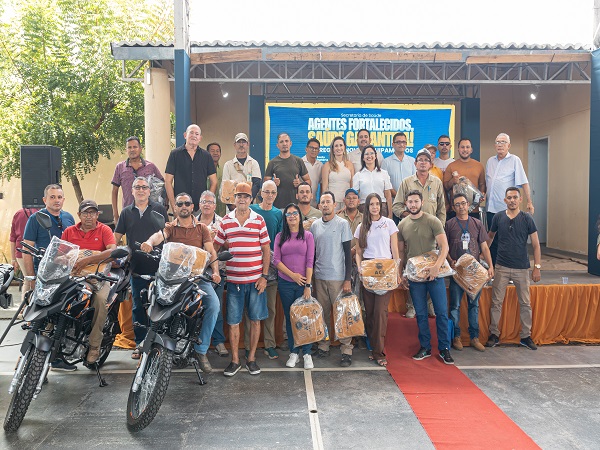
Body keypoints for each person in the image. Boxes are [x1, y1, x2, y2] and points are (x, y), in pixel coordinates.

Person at [140, 192, 221, 373]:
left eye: (187, 203)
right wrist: (149, 242)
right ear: (175, 208)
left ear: (192, 207)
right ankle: (150, 340)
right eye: (180, 204)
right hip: (171, 279)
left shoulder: (202, 228)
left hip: (195, 278)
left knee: (214, 305)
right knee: (151, 298)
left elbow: (211, 252)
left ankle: (201, 351)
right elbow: (158, 236)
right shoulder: (170, 227)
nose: (183, 206)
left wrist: (215, 271)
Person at [213, 182, 270, 377]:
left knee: (255, 321)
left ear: (251, 199)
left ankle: (251, 359)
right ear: (234, 198)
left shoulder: (259, 220)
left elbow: (266, 250)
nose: (242, 199)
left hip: (256, 282)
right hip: (234, 282)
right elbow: (215, 247)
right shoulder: (226, 221)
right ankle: (235, 360)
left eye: (246, 196)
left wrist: (264, 277)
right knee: (233, 322)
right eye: (239, 196)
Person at [22, 185, 76, 371]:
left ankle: (56, 357)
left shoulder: (68, 218)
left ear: (64, 199)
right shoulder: (35, 219)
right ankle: (28, 364)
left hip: (65, 277)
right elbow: (27, 249)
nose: (56, 200)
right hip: (44, 276)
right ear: (44, 200)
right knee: (39, 320)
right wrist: (31, 278)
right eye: (52, 197)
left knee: (61, 317)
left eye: (59, 197)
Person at [114, 177, 168, 359]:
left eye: (144, 187)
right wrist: (111, 254)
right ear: (132, 190)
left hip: (157, 267)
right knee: (138, 307)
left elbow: (166, 233)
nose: (141, 190)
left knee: (158, 306)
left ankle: (156, 343)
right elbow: (116, 237)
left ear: (149, 190)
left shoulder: (159, 209)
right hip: (136, 267)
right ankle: (140, 344)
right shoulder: (126, 212)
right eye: (137, 187)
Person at [398, 190, 454, 365]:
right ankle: (425, 347)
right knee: (421, 313)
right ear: (406, 204)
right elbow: (401, 252)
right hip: (415, 276)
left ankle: (444, 348)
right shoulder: (402, 225)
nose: (413, 204)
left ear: (422, 202)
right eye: (410, 202)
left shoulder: (432, 220)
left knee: (441, 312)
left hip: (434, 274)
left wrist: (436, 266)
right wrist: (401, 273)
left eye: (416, 201)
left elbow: (444, 247)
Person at [485, 187, 541, 351]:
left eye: (515, 197)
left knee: (525, 304)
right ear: (505, 200)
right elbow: (489, 237)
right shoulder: (498, 217)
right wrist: (483, 256)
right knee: (496, 303)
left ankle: (526, 336)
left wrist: (537, 267)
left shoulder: (527, 219)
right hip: (501, 267)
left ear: (520, 200)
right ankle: (494, 334)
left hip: (522, 268)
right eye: (509, 198)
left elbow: (536, 245)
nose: (512, 200)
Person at [62, 200, 117, 364]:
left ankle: (94, 345)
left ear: (97, 215)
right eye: (85, 213)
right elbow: (59, 253)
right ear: (79, 215)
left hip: (99, 278)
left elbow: (112, 252)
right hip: (73, 276)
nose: (89, 216)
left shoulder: (104, 230)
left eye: (92, 213)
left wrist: (88, 259)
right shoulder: (69, 231)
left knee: (100, 300)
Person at [393, 149, 445, 319]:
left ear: (431, 164)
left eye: (426, 160)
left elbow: (441, 209)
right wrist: (410, 217)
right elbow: (396, 206)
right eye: (420, 160)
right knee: (412, 266)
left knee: (431, 266)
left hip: (432, 233)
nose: (423, 162)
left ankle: (429, 304)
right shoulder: (407, 182)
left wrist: (440, 230)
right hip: (412, 231)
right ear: (415, 163)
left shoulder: (437, 182)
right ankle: (412, 305)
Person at [354, 193, 400, 367]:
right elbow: (358, 252)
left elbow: (395, 249)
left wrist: (396, 271)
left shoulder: (389, 223)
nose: (375, 207)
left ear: (381, 206)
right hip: (368, 269)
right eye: (371, 204)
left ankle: (379, 352)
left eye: (377, 204)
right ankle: (373, 348)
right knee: (371, 312)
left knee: (380, 312)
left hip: (385, 269)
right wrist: (360, 268)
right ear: (367, 207)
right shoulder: (361, 227)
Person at [445, 193, 493, 352]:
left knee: (474, 305)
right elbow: (444, 247)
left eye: (463, 203)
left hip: (474, 273)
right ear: (453, 207)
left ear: (468, 205)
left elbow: (484, 247)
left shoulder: (477, 223)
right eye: (457, 204)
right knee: (455, 306)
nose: (461, 207)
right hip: (457, 273)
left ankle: (474, 338)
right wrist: (450, 260)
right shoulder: (449, 224)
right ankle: (456, 337)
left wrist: (490, 266)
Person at [310, 191, 354, 367]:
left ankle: (346, 350)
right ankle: (323, 346)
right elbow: (313, 254)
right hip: (320, 277)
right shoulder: (315, 226)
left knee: (342, 315)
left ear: (335, 205)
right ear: (319, 206)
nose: (325, 205)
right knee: (322, 314)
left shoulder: (343, 224)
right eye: (323, 202)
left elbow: (347, 254)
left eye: (328, 201)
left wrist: (347, 279)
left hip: (338, 278)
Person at [273, 203, 315, 369]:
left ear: (299, 216)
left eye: (294, 213)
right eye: (288, 214)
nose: (292, 216)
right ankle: (294, 352)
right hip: (286, 283)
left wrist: (307, 285)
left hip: (303, 284)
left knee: (305, 318)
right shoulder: (280, 237)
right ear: (285, 218)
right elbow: (276, 260)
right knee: (291, 318)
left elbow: (310, 261)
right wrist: (293, 275)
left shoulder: (308, 236)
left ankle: (307, 353)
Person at [485, 133, 534, 265]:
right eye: (497, 142)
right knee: (492, 240)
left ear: (509, 145)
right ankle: (494, 269)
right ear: (494, 145)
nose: (500, 145)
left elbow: (524, 182)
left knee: (507, 240)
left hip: (506, 211)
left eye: (503, 142)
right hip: (491, 209)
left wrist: (529, 202)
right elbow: (488, 183)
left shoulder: (515, 160)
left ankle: (508, 269)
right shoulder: (490, 161)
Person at [249, 180, 283, 360]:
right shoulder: (252, 210)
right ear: (261, 193)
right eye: (266, 192)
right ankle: (249, 346)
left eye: (273, 192)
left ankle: (269, 344)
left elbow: (280, 240)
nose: (269, 195)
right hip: (252, 267)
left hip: (272, 270)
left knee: (271, 308)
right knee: (251, 310)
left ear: (276, 195)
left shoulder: (278, 214)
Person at [197, 190, 228, 357]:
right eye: (204, 201)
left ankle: (218, 341)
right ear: (199, 204)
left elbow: (230, 245)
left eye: (210, 202)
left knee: (216, 306)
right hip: (196, 272)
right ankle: (195, 341)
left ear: (215, 206)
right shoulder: (192, 222)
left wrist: (218, 239)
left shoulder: (223, 222)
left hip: (216, 271)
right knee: (194, 307)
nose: (207, 204)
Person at [164, 124, 217, 211]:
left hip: (200, 207)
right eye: (191, 133)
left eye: (197, 134)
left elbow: (214, 182)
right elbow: (168, 181)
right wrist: (174, 206)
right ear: (185, 135)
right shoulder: (175, 154)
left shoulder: (206, 156)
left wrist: (208, 202)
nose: (194, 136)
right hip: (181, 206)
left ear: (200, 138)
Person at [111, 136, 163, 224]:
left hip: (149, 214)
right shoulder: (120, 167)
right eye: (129, 147)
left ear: (140, 149)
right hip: (128, 214)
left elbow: (162, 185)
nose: (132, 150)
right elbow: (114, 191)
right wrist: (115, 215)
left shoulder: (150, 166)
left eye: (135, 147)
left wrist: (164, 205)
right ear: (126, 150)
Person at [337, 188, 366, 348]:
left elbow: (366, 237)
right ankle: (346, 336)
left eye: (354, 198)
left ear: (358, 201)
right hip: (341, 262)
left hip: (359, 261)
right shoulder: (338, 217)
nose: (351, 200)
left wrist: (354, 251)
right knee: (345, 300)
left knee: (359, 300)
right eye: (348, 198)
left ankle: (360, 334)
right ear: (344, 200)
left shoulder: (365, 218)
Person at [443, 138, 486, 220]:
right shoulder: (451, 166)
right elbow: (445, 187)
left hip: (474, 210)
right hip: (456, 211)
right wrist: (453, 181)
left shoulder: (479, 166)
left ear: (471, 150)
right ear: (458, 149)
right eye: (462, 147)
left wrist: (482, 193)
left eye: (467, 147)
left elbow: (482, 184)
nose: (465, 149)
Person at [264, 132, 311, 209]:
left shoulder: (298, 161)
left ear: (290, 143)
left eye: (286, 141)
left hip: (296, 205)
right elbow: (265, 184)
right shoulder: (272, 162)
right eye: (281, 142)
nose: (284, 144)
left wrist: (300, 184)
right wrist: (273, 183)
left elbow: (308, 181)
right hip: (277, 205)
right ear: (277, 145)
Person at [381, 132, 415, 222]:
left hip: (410, 205)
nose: (401, 144)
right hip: (393, 204)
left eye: (404, 142)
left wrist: (408, 199)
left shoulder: (412, 161)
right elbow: (386, 184)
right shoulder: (386, 162)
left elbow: (415, 182)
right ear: (393, 144)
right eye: (398, 142)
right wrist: (399, 198)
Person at [221, 132, 262, 206]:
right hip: (232, 205)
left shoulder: (254, 163)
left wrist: (248, 201)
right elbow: (225, 187)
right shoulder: (228, 165)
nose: (241, 145)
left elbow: (256, 184)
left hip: (250, 205)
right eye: (239, 142)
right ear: (234, 145)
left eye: (243, 142)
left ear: (248, 144)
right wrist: (231, 206)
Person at [352, 145, 393, 218]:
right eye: (366, 154)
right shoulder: (358, 175)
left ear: (375, 156)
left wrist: (390, 214)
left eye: (371, 153)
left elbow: (388, 195)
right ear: (363, 158)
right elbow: (354, 195)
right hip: (364, 207)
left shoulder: (384, 173)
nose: (369, 156)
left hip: (381, 207)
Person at [9, 206, 38, 301]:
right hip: (38, 251)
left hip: (20, 252)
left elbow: (12, 238)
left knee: (27, 279)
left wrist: (13, 259)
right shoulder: (42, 213)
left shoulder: (18, 213)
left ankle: (24, 306)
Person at [321, 136, 354, 212]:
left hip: (346, 202)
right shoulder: (327, 165)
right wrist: (326, 203)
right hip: (332, 203)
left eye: (341, 145)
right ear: (332, 149)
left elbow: (352, 186)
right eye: (336, 146)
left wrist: (350, 201)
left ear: (344, 147)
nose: (339, 148)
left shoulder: (350, 165)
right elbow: (324, 188)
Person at [207, 142, 227, 217]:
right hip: (207, 207)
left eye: (217, 151)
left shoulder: (223, 170)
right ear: (207, 153)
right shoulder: (203, 170)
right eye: (212, 151)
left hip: (221, 209)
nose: (215, 153)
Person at [302, 138, 323, 207]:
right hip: (300, 203)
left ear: (319, 151)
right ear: (306, 149)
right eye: (311, 148)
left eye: (316, 148)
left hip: (314, 204)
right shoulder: (300, 162)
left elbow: (322, 185)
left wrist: (320, 202)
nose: (314, 150)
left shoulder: (320, 165)